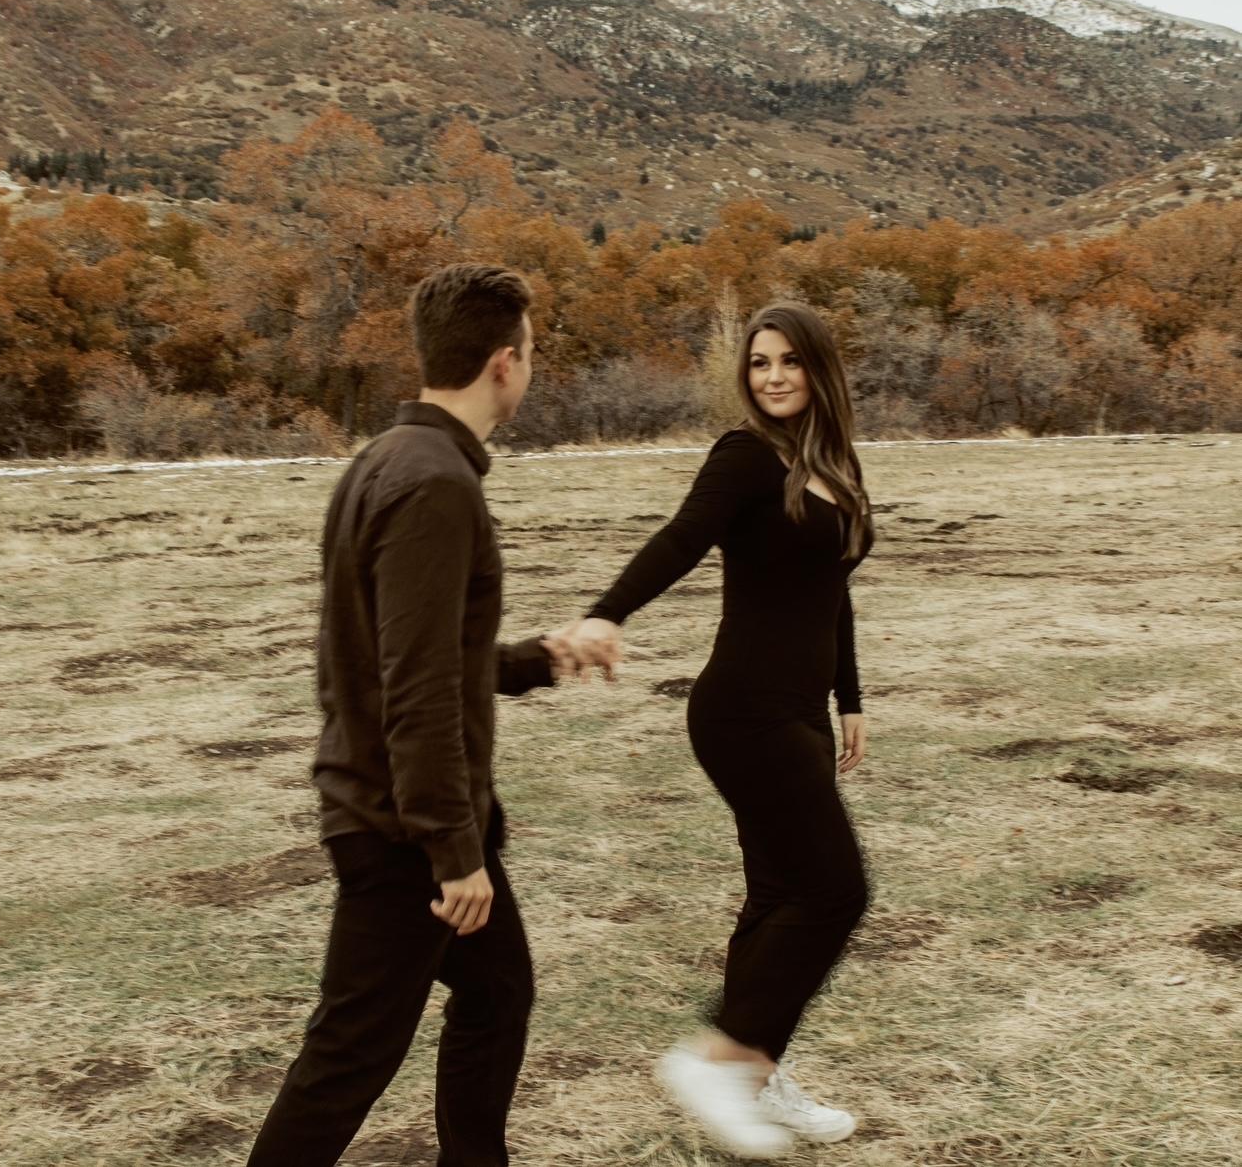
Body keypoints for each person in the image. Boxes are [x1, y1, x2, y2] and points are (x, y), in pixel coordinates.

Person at [247, 264, 603, 1167]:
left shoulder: (386, 461)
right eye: (531, 351)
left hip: (401, 810)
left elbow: (408, 654)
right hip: (401, 829)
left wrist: (537, 660)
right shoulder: (436, 484)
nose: (530, 367)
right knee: (350, 1055)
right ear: (503, 362)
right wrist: (453, 851)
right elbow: (414, 685)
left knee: (497, 994)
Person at [570, 301, 874, 1159]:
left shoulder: (832, 463)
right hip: (743, 711)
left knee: (779, 895)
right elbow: (681, 539)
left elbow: (833, 588)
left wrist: (849, 697)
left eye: (788, 361)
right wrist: (607, 613)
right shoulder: (745, 456)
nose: (772, 376)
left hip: (800, 711)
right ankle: (725, 1057)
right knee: (836, 892)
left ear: (819, 369)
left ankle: (756, 1075)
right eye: (758, 362)